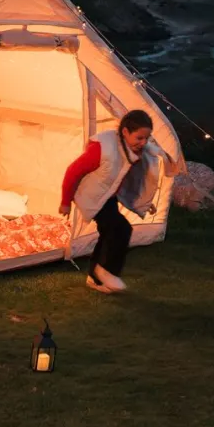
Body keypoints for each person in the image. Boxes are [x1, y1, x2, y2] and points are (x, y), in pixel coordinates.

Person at [59, 109, 176, 294]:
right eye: (139, 138)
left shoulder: (131, 150)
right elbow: (73, 171)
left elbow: (129, 180)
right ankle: (107, 272)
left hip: (107, 196)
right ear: (125, 132)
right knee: (121, 228)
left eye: (146, 138)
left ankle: (95, 278)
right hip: (92, 197)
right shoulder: (103, 147)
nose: (143, 143)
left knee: (108, 233)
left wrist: (144, 202)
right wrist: (65, 201)